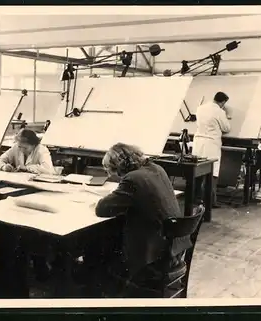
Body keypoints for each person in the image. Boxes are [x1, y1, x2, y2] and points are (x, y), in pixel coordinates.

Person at [94, 143, 190, 295]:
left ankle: (105, 296)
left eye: (109, 170)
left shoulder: (133, 179)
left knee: (99, 252)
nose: (110, 175)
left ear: (119, 166)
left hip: (155, 258)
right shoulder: (156, 168)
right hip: (175, 250)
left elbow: (101, 209)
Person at [192, 91, 232, 208]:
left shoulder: (200, 108)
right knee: (212, 173)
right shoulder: (219, 111)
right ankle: (210, 201)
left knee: (197, 170)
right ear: (223, 102)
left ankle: (195, 198)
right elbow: (226, 128)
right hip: (211, 143)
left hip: (198, 142)